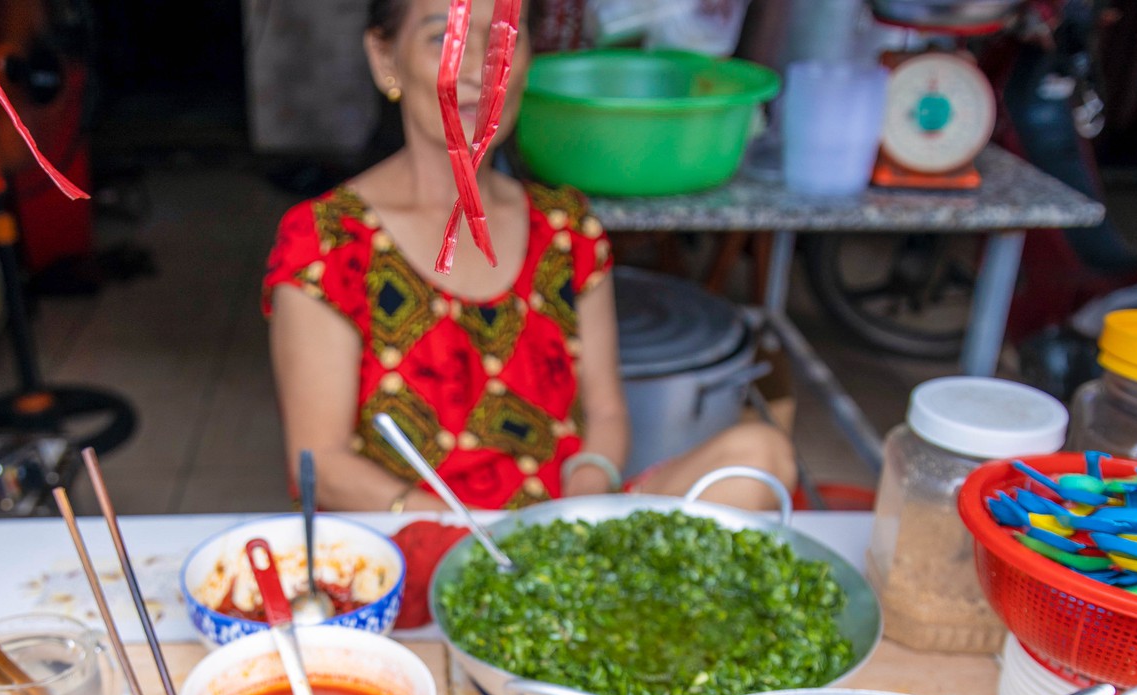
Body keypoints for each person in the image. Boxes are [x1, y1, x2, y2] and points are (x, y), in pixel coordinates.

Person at [263, 0, 797, 514]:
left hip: (557, 535)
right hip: (417, 543)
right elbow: (322, 464)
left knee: (758, 459)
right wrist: (468, 533)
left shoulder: (566, 229)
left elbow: (607, 412)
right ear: (385, 60)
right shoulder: (329, 241)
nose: (478, 68)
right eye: (441, 39)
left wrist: (584, 492)